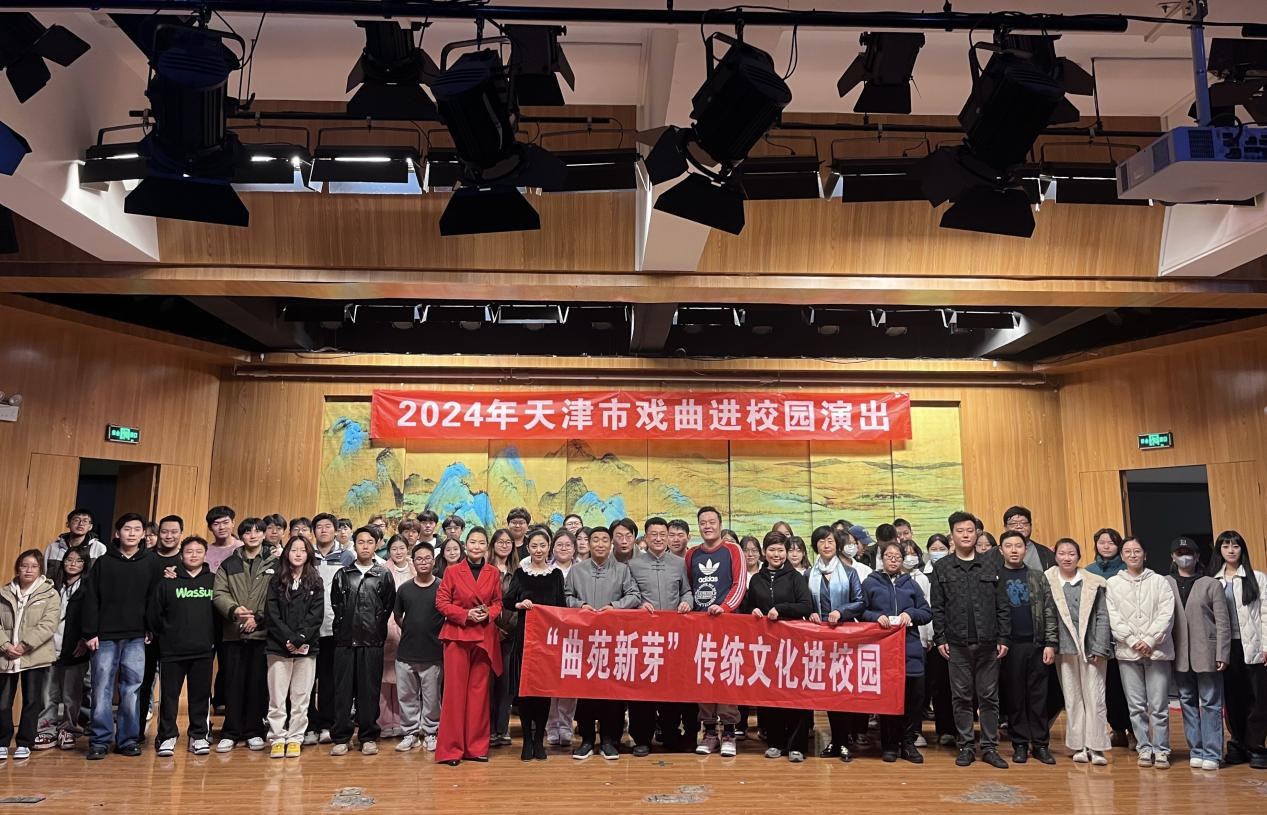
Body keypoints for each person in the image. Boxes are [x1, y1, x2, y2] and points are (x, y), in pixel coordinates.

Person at [930, 510, 1010, 769]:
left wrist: (1004, 637)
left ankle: (989, 747)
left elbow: (1002, 604)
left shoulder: (992, 564)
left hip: (989, 643)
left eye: (970, 530)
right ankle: (965, 745)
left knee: (989, 697)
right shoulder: (942, 567)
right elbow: (937, 607)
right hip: (956, 644)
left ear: (977, 533)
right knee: (961, 697)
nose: (965, 535)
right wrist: (940, 637)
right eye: (960, 531)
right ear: (952, 535)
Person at [81, 513, 158, 760]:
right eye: (127, 529)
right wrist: (90, 632)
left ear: (143, 534)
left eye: (137, 529)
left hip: (136, 636)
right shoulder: (104, 562)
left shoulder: (151, 562)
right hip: (104, 636)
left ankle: (127, 739)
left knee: (132, 689)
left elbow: (154, 598)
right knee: (100, 688)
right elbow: (91, 597)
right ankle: (100, 740)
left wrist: (151, 627)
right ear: (117, 533)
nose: (132, 533)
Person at [565, 524, 640, 760]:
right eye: (595, 540)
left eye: (604, 540)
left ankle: (609, 739)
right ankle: (587, 739)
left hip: (613, 640)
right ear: (587, 544)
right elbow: (566, 596)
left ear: (611, 544)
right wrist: (580, 606)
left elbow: (634, 595)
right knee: (585, 690)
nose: (599, 544)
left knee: (612, 691)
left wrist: (615, 607)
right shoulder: (577, 571)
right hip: (584, 642)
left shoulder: (622, 570)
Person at [742, 531, 813, 762]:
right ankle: (775, 742)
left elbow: (806, 606)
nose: (776, 554)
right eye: (772, 550)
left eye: (781, 550)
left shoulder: (796, 578)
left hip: (793, 646)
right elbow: (748, 606)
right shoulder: (756, 580)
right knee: (771, 695)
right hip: (767, 646)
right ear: (764, 552)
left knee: (796, 696)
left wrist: (781, 609)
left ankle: (797, 745)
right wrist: (752, 610)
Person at [435, 527, 503, 766]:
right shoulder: (453, 571)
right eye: (472, 542)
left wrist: (487, 613)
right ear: (466, 545)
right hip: (457, 636)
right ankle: (450, 750)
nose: (476, 546)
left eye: (481, 542)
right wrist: (465, 615)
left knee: (479, 695)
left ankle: (476, 748)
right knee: (454, 695)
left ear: (487, 547)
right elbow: (441, 602)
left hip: (483, 638)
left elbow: (497, 602)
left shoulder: (493, 572)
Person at [1106, 536, 1175, 769]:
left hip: (1157, 651)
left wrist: (1150, 640)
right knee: (1135, 706)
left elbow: (1167, 614)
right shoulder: (1113, 584)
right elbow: (1113, 616)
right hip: (1128, 652)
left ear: (1145, 554)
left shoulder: (1160, 581)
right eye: (1127, 551)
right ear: (1121, 556)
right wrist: (1133, 640)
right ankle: (1144, 748)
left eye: (1137, 551)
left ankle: (1162, 750)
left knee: (1158, 706)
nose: (1133, 555)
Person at [861, 540, 933, 763]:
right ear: (881, 558)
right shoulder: (870, 582)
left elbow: (926, 612)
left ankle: (908, 744)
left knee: (913, 699)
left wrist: (910, 614)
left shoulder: (910, 584)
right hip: (883, 650)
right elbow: (861, 610)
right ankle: (889, 745)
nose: (893, 560)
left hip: (910, 648)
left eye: (897, 557)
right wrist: (876, 617)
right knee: (888, 699)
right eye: (889, 556)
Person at [626, 517, 692, 756]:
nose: (658, 538)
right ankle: (642, 738)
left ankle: (670, 734)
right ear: (645, 537)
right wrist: (639, 604)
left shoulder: (679, 563)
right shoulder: (633, 565)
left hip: (673, 637)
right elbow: (629, 593)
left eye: (663, 534)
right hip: (643, 638)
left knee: (671, 687)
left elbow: (686, 591)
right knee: (642, 688)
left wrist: (687, 602)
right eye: (653, 534)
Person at [329, 525, 396, 756]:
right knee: (343, 692)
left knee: (369, 692)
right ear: (354, 545)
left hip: (371, 642)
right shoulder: (343, 574)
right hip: (345, 642)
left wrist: (375, 628)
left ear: (376, 545)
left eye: (369, 542)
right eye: (360, 542)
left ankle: (368, 737)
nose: (365, 546)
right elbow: (337, 606)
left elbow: (387, 606)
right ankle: (342, 737)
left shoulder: (383, 574)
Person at [147, 536, 215, 757]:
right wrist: (164, 636)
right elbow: (155, 614)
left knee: (200, 696)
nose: (194, 555)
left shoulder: (213, 581)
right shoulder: (168, 581)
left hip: (203, 650)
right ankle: (167, 736)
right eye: (189, 551)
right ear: (181, 555)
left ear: (205, 554)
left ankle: (198, 735)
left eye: (198, 551)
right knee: (169, 697)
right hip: (171, 651)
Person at [1045, 538, 1111, 765]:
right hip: (1064, 649)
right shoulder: (1048, 581)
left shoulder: (1093, 582)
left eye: (1071, 553)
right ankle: (1079, 745)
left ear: (1079, 557)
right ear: (1056, 556)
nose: (1067, 558)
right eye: (1062, 553)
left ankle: (1097, 746)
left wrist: (1100, 646)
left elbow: (1103, 616)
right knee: (1072, 698)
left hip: (1092, 648)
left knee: (1095, 696)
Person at [1167, 536, 1230, 771]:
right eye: (1179, 553)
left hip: (1208, 653)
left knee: (1211, 703)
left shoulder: (1211, 584)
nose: (1184, 557)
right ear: (1173, 557)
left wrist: (1223, 653)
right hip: (1179, 654)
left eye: (1189, 553)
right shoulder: (1165, 583)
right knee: (1187, 702)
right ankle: (1196, 749)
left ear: (1197, 557)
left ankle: (1213, 753)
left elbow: (1222, 622)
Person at [686, 506, 745, 757]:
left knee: (727, 678)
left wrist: (725, 607)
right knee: (704, 676)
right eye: (703, 522)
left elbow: (739, 584)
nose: (707, 526)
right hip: (700, 628)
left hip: (727, 626)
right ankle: (709, 732)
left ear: (720, 524)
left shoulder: (732, 550)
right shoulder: (692, 554)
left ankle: (729, 731)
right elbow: (688, 587)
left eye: (712, 522)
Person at [996, 529, 1059, 765]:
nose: (1014, 550)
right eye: (1009, 546)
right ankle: (1020, 744)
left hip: (1036, 644)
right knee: (1015, 697)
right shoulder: (994, 578)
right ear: (1001, 550)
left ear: (1025, 549)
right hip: (1009, 647)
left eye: (1018, 546)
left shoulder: (1037, 576)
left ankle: (1041, 744)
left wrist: (1050, 643)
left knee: (1038, 697)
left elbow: (1049, 611)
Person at [212, 517, 274, 753]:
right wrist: (235, 611)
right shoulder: (229, 563)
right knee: (233, 684)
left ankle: (254, 731)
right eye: (248, 532)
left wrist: (258, 617)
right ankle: (230, 732)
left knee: (258, 685)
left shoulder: (276, 563)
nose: (253, 536)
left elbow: (278, 595)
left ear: (264, 535)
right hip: (233, 634)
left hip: (262, 634)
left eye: (258, 531)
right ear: (241, 536)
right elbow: (219, 593)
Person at [505, 528, 567, 761]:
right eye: (534, 546)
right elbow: (507, 600)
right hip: (525, 638)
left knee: (543, 691)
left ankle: (539, 739)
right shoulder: (521, 573)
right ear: (528, 548)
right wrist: (520, 604)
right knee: (526, 692)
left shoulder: (556, 574)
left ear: (548, 547)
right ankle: (527, 741)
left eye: (543, 546)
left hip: (548, 640)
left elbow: (561, 606)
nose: (538, 550)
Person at [1208, 530, 1267, 768]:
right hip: (1226, 646)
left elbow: (1265, 613)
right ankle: (1238, 744)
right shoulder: (1213, 580)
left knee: (1258, 697)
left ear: (1242, 549)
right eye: (1226, 546)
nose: (1231, 551)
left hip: (1253, 645)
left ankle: (1256, 746)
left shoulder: (1257, 577)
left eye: (1235, 546)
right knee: (1232, 697)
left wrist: (1266, 645)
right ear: (1219, 551)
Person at [805, 525, 864, 761]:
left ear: (836, 544)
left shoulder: (850, 572)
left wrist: (841, 612)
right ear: (815, 546)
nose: (826, 545)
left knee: (845, 690)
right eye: (821, 541)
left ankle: (845, 740)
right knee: (829, 692)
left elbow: (860, 602)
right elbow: (804, 602)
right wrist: (810, 612)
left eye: (830, 541)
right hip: (820, 641)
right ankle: (836, 741)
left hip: (845, 638)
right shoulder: (809, 574)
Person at [264, 535, 323, 759]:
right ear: (287, 553)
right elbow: (271, 613)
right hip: (278, 646)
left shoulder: (315, 581)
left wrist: (300, 638)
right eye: (294, 549)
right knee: (277, 697)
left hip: (307, 647)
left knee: (301, 696)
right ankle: (277, 737)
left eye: (303, 550)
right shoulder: (276, 580)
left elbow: (316, 615)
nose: (298, 554)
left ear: (308, 554)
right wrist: (288, 638)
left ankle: (296, 737)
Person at [0, 550, 60, 762]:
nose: (28, 570)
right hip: (6, 656)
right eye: (24, 565)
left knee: (32, 700)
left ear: (40, 570)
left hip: (34, 656)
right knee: (2, 702)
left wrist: (24, 646)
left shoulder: (50, 594)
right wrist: (5, 645)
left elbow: (49, 624)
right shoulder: (4, 592)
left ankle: (25, 742)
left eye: (34, 566)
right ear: (18, 567)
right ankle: (2, 742)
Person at [136, 514, 184, 742]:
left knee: (170, 687)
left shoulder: (186, 560)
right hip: (147, 632)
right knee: (143, 682)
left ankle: (166, 733)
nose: (169, 536)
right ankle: (136, 731)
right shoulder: (146, 558)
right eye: (164, 531)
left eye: (174, 532)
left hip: (175, 632)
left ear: (181, 534)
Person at [393, 544, 444, 754]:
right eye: (419, 559)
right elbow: (398, 616)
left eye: (427, 558)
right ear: (413, 562)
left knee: (432, 698)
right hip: (406, 653)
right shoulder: (404, 589)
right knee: (406, 696)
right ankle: (410, 733)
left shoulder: (442, 587)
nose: (423, 562)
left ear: (434, 561)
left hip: (433, 653)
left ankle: (431, 732)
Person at [1086, 527, 1131, 747]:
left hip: (1126, 636)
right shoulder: (1089, 571)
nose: (1106, 546)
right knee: (1109, 688)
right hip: (1100, 638)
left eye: (1111, 542)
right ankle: (1118, 729)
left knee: (1128, 688)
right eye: (1101, 542)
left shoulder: (1127, 569)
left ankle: (1134, 731)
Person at [305, 512, 346, 746]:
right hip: (308, 629)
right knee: (307, 681)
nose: (323, 530)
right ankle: (309, 725)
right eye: (319, 526)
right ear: (314, 531)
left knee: (330, 680)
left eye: (328, 526)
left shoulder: (347, 556)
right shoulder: (306, 554)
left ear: (336, 530)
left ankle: (327, 725)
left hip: (333, 628)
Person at [44, 548, 89, 752]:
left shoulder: (87, 587)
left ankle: (69, 728)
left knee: (71, 694)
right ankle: (46, 728)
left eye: (78, 561)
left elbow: (90, 616)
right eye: (69, 560)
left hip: (74, 646)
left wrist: (84, 639)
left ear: (84, 565)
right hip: (49, 646)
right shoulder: (52, 585)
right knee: (48, 692)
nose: (73, 564)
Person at [379, 535, 415, 740]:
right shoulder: (382, 570)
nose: (398, 552)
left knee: (406, 679)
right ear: (389, 551)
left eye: (402, 548)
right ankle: (385, 722)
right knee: (385, 679)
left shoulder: (415, 569)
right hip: (387, 628)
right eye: (394, 549)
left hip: (410, 628)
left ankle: (404, 721)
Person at [546, 530, 579, 748]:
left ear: (574, 548)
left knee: (570, 679)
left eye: (568, 545)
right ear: (553, 548)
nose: (564, 548)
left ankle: (566, 725)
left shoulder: (581, 569)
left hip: (575, 633)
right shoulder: (545, 570)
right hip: (549, 631)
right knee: (550, 678)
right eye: (560, 545)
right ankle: (552, 725)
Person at [922, 533, 955, 747]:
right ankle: (945, 729)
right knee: (939, 686)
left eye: (941, 548)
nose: (937, 552)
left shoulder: (954, 569)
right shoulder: (922, 574)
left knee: (959, 687)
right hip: (934, 639)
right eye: (933, 549)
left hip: (956, 636)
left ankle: (961, 729)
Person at [488, 528, 517, 748]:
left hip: (510, 636)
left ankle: (502, 728)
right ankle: (488, 729)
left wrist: (509, 627)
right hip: (487, 634)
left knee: (506, 684)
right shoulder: (485, 570)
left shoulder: (518, 572)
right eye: (500, 541)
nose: (504, 545)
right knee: (487, 684)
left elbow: (521, 601)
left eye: (508, 542)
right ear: (493, 544)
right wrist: (493, 628)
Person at [44, 508, 105, 588]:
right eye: (76, 520)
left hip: (85, 594)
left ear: (90, 527)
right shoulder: (53, 547)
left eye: (85, 521)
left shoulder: (99, 548)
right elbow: (44, 574)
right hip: (54, 593)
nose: (81, 524)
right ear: (68, 524)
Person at [1000, 506, 1056, 571]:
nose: (1019, 526)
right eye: (1013, 523)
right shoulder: (994, 554)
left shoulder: (1046, 553)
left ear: (1030, 526)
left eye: (1023, 523)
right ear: (1005, 527)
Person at [203, 506, 241, 573]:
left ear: (233, 523)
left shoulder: (242, 547)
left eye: (225, 522)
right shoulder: (205, 551)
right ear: (209, 527)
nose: (221, 527)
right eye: (216, 524)